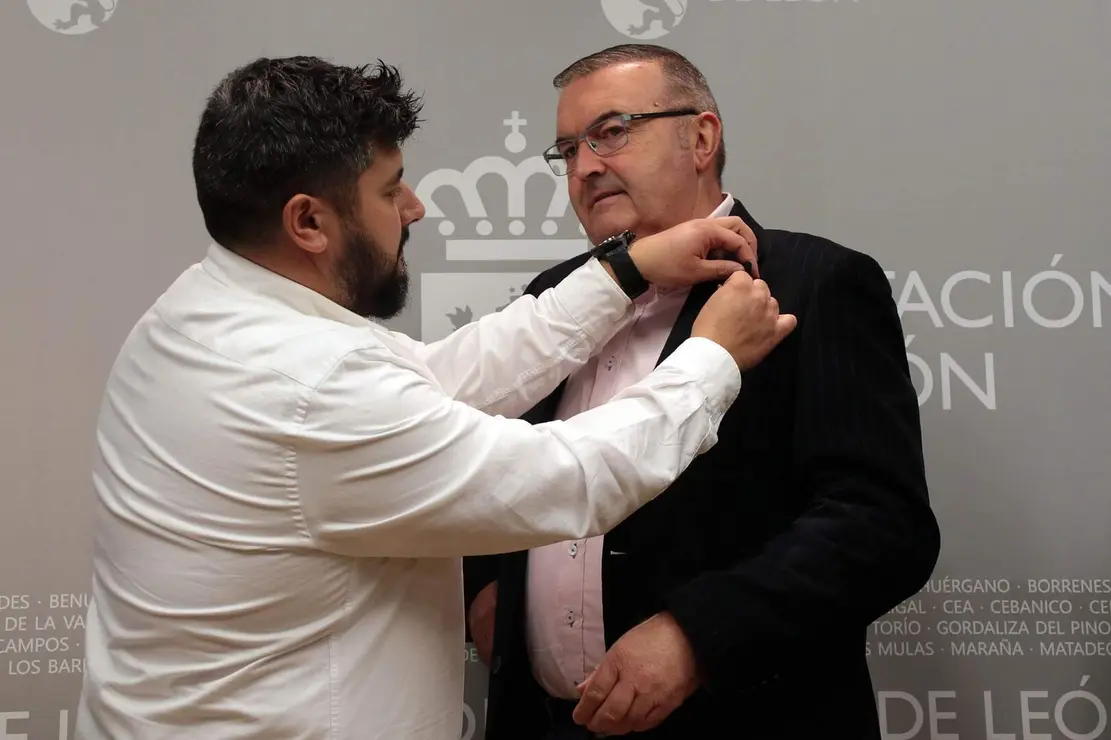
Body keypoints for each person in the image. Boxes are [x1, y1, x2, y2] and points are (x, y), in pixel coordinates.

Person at [72, 55, 797, 740]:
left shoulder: (200, 314)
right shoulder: (307, 385)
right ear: (308, 222)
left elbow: (438, 377)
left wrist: (621, 272)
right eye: (390, 190)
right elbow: (565, 479)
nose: (415, 208)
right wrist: (711, 359)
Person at [463, 44, 942, 740]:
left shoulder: (813, 283)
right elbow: (494, 458)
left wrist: (698, 635)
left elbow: (880, 525)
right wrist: (485, 591)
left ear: (701, 137)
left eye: (612, 131)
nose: (586, 166)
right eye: (567, 149)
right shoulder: (553, 297)